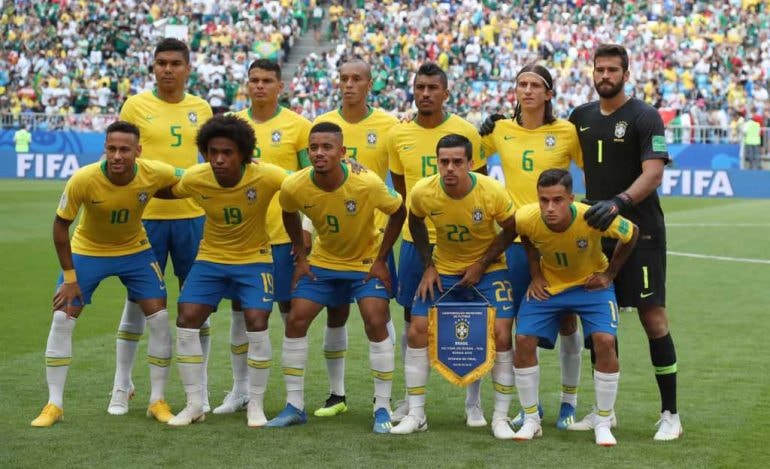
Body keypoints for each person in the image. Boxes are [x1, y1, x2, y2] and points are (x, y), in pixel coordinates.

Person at [31, 121, 181, 427]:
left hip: (136, 251)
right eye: (111, 149)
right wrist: (70, 278)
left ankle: (157, 400)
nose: (117, 156)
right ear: (105, 149)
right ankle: (54, 404)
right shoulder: (83, 179)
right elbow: (60, 227)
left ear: (138, 151)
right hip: (89, 251)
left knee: (160, 319)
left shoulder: (154, 172)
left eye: (125, 149)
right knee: (62, 318)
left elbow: (192, 177)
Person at [568, 44, 682, 441]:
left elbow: (653, 173)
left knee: (653, 318)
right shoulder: (580, 117)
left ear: (626, 74)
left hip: (641, 232)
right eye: (599, 69)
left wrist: (618, 202)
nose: (605, 75)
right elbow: (546, 139)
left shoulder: (644, 116)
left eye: (612, 70)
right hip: (595, 234)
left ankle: (670, 414)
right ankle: (605, 412)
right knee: (599, 322)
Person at [266, 122, 406, 434]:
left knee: (376, 320)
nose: (319, 153)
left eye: (327, 147)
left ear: (342, 152)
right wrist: (300, 255)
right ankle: (294, 406)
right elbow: (288, 210)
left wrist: (381, 259)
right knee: (296, 319)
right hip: (323, 262)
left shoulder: (366, 182)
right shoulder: (295, 185)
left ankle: (382, 407)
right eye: (314, 148)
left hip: (365, 262)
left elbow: (398, 210)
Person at [159, 114, 288, 427]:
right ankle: (194, 404)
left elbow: (304, 183)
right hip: (211, 258)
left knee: (256, 321)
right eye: (212, 152)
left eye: (227, 152)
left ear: (243, 153)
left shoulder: (266, 175)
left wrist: (346, 167)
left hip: (254, 258)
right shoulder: (196, 177)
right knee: (187, 318)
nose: (218, 159)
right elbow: (167, 191)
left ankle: (255, 404)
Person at [390, 134, 518, 438]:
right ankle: (416, 414)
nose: (450, 168)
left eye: (457, 162)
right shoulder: (423, 191)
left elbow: (512, 228)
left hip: (489, 270)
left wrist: (481, 265)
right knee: (417, 329)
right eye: (444, 161)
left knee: (501, 334)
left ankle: (499, 417)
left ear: (470, 164)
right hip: (444, 269)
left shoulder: (491, 191)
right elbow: (415, 221)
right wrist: (428, 265)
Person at [479, 64, 584, 429]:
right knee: (513, 325)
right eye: (521, 84)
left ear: (548, 93)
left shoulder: (566, 131)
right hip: (515, 241)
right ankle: (528, 406)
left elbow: (593, 169)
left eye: (535, 85)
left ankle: (569, 402)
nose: (527, 90)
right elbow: (472, 160)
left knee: (567, 320)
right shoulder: (500, 129)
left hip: (557, 242)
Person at [113, 38, 214, 415]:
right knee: (136, 303)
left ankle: (200, 389)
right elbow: (123, 156)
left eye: (175, 63)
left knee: (198, 305)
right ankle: (121, 385)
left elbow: (210, 161)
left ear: (188, 69)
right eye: (161, 63)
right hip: (146, 218)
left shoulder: (201, 108)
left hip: (192, 218)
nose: (167, 69)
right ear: (153, 67)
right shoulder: (135, 105)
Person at [387, 62, 488, 426]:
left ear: (446, 93)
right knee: (412, 319)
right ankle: (411, 399)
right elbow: (404, 195)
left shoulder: (465, 131)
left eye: (433, 88)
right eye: (420, 87)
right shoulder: (398, 134)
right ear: (413, 91)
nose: (426, 93)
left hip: (463, 245)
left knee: (473, 316)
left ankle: (473, 402)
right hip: (416, 243)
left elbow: (480, 187)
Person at [213, 59, 312, 416]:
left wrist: (306, 230)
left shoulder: (299, 126)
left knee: (288, 311)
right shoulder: (232, 124)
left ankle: (293, 395)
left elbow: (309, 182)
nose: (259, 86)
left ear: (280, 86)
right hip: (240, 238)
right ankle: (240, 390)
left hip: (282, 236)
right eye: (254, 80)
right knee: (240, 311)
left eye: (267, 80)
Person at [511, 169, 638, 446]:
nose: (549, 207)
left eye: (557, 200)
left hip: (590, 286)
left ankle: (603, 420)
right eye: (544, 200)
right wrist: (535, 273)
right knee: (522, 340)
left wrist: (609, 274)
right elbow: (526, 237)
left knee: (605, 341)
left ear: (571, 198)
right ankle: (531, 419)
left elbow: (632, 233)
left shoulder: (590, 217)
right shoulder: (526, 217)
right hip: (550, 287)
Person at [311, 59, 400, 417]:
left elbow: (399, 178)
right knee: (335, 314)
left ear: (369, 83)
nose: (349, 84)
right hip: (333, 241)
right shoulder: (322, 124)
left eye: (356, 79)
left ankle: (385, 398)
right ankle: (337, 395)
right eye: (344, 78)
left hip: (374, 242)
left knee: (379, 316)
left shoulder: (390, 126)